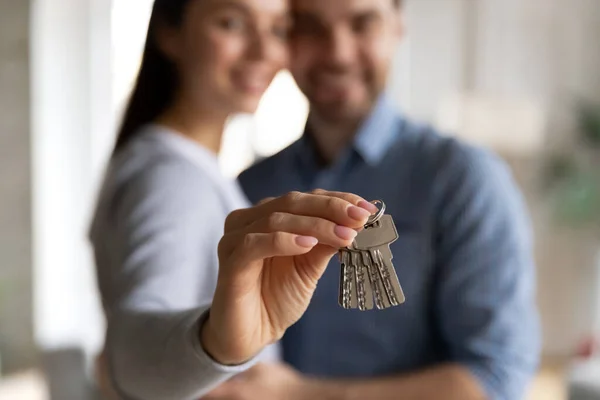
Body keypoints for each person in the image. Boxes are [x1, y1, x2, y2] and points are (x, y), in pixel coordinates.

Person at [207, 0, 541, 399]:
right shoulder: (250, 189)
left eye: (363, 24)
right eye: (310, 27)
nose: (338, 53)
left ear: (398, 26)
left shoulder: (463, 180)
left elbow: (496, 379)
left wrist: (302, 396)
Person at [89, 0, 380, 399]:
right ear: (170, 33)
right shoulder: (173, 180)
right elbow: (129, 350)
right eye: (232, 23)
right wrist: (216, 345)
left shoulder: (182, 164)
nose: (264, 52)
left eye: (278, 30)